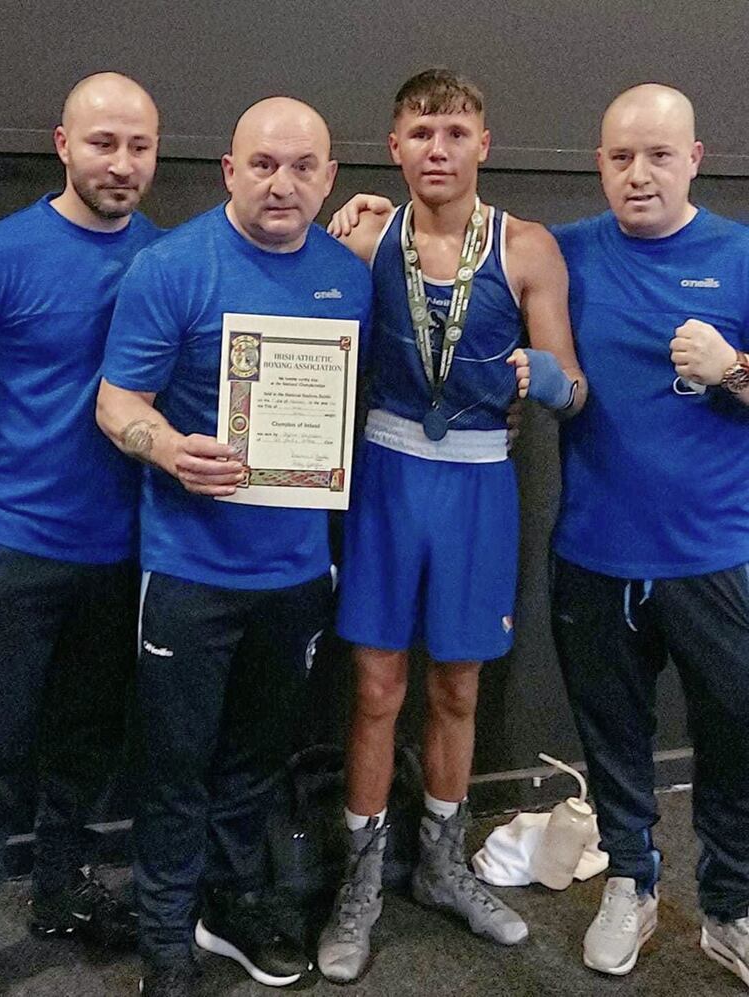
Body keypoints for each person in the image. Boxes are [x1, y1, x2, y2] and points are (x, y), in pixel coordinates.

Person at [96, 96, 373, 997]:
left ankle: (228, 904)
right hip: (188, 569)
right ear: (228, 168)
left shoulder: (349, 274)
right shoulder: (171, 266)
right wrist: (168, 448)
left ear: (330, 177)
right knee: (175, 765)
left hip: (296, 570)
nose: (281, 182)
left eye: (302, 166)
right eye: (262, 163)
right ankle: (167, 935)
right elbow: (116, 401)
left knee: (256, 761)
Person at [316, 68, 587, 983]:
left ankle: (438, 863)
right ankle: (361, 880)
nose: (439, 149)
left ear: (483, 144)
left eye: (456, 133)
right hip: (387, 474)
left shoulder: (528, 248)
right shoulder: (363, 238)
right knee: (377, 688)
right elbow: (297, 322)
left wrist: (538, 378)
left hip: (478, 483)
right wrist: (324, 238)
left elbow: (574, 384)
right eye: (422, 133)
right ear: (394, 147)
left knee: (459, 688)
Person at [0, 72, 161, 993]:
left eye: (139, 146)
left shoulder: (170, 257)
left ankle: (62, 890)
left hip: (126, 553)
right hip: (7, 549)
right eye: (103, 142)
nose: (121, 162)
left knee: (86, 746)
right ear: (61, 143)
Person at [549, 83, 749, 983]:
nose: (639, 174)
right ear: (599, 162)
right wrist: (370, 224)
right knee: (615, 736)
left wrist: (735, 366)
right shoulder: (560, 255)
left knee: (736, 735)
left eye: (659, 155)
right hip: (594, 553)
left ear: (695, 160)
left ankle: (732, 905)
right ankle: (631, 881)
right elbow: (453, 265)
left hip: (714, 554)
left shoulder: (741, 256)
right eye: (621, 156)